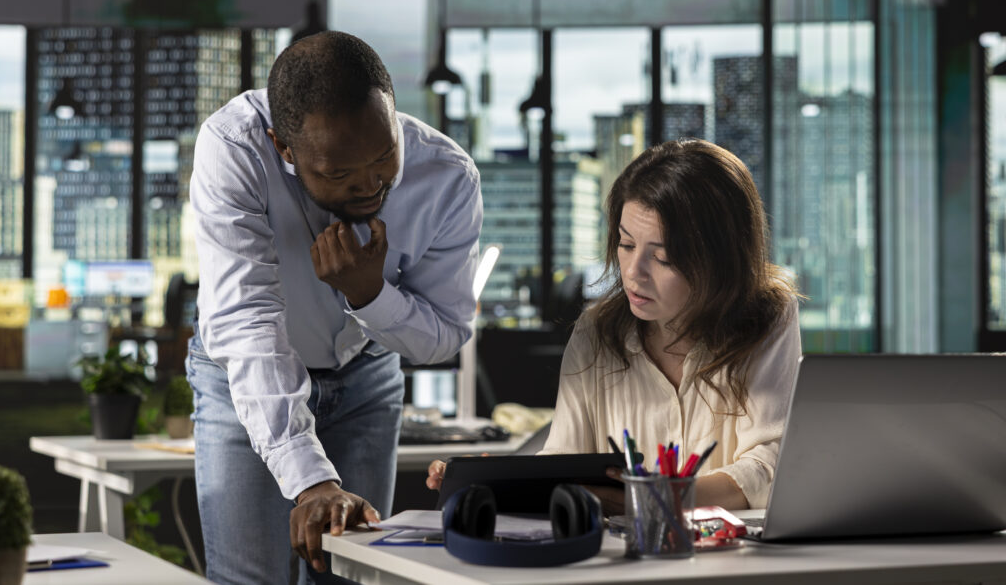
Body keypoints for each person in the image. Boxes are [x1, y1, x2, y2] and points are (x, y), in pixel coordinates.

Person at [187, 30, 482, 584]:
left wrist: (371, 294)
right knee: (251, 579)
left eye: (383, 156)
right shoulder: (234, 147)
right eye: (339, 173)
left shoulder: (447, 176)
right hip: (242, 377)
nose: (371, 184)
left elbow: (443, 336)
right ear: (284, 148)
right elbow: (247, 322)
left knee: (353, 577)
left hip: (365, 379)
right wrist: (311, 480)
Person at [427, 138, 800, 512]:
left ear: (720, 258)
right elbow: (564, 456)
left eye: (664, 257)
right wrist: (507, 480)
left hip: (733, 560)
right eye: (625, 244)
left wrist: (654, 498)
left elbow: (769, 465)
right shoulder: (595, 332)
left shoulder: (767, 317)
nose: (634, 273)